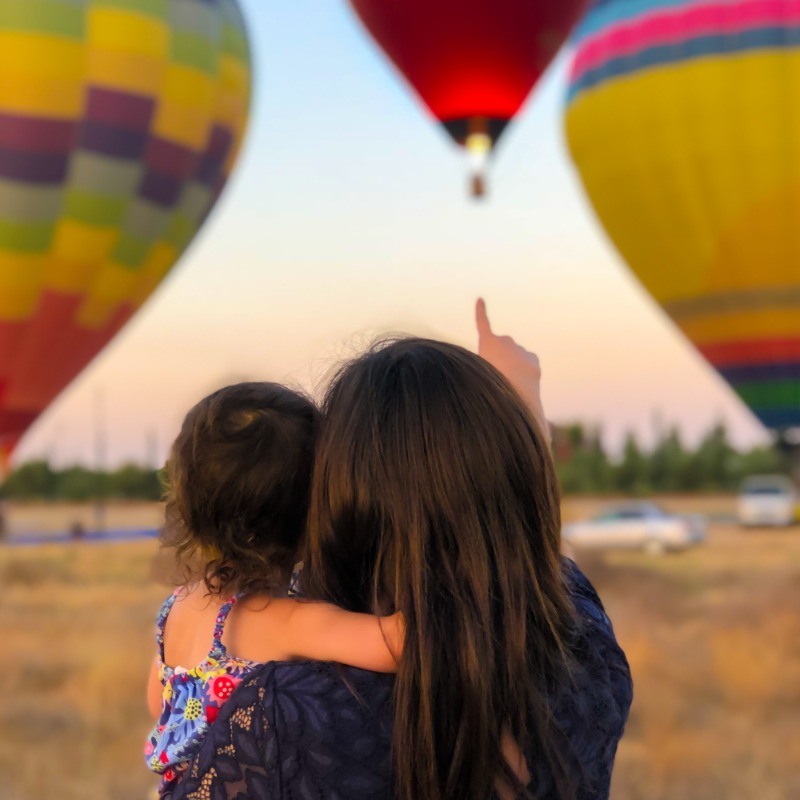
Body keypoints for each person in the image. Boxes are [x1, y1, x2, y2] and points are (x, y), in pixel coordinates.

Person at [171, 302, 633, 800]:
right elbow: (527, 554)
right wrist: (510, 412)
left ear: (341, 508)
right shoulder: (585, 650)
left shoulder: (281, 717)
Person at [145, 382, 403, 796]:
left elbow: (160, 705)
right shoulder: (287, 622)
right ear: (319, 505)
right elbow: (401, 642)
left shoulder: (176, 606)